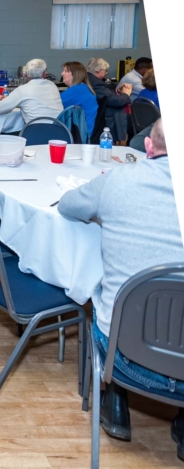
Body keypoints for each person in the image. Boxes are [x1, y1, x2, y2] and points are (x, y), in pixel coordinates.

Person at [58, 119, 184, 460]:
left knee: (103, 293)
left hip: (128, 359)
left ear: (148, 147)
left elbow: (68, 206)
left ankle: (116, 398)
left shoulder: (119, 180)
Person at [0, 58, 63, 123]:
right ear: (44, 74)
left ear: (26, 74)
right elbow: (38, 104)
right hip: (60, 132)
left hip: (34, 133)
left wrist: (6, 101)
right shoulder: (52, 86)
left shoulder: (22, 90)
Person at [87, 57, 131, 145]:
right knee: (130, 119)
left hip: (96, 114)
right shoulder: (96, 83)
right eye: (105, 71)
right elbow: (115, 101)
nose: (106, 74)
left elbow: (107, 95)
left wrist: (117, 91)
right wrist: (126, 94)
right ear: (99, 71)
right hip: (101, 118)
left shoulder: (89, 78)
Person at [60, 61, 98, 138]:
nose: (62, 74)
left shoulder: (77, 90)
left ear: (74, 74)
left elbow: (56, 104)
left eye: (65, 71)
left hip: (79, 135)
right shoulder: (83, 88)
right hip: (84, 132)